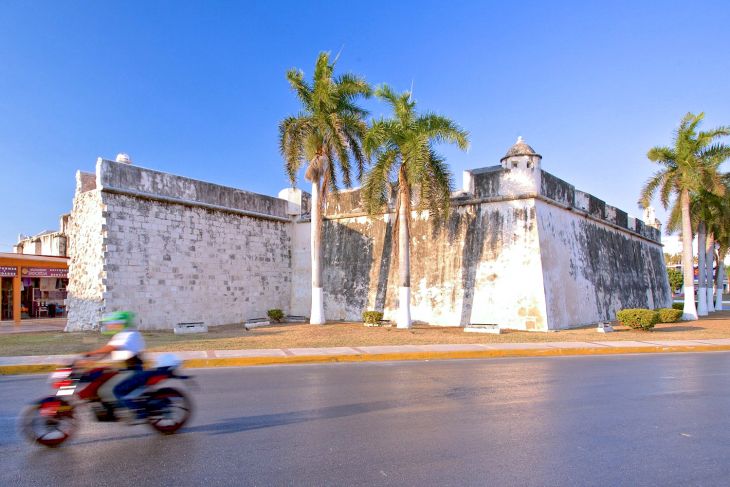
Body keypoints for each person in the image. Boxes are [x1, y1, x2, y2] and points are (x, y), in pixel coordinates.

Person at [83, 311, 147, 422]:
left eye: (114, 323)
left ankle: (140, 412)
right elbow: (107, 351)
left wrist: (92, 353)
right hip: (123, 370)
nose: (110, 325)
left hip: (134, 371)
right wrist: (91, 361)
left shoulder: (130, 334)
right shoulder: (120, 335)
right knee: (100, 379)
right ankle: (109, 410)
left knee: (117, 390)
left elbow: (111, 348)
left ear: (122, 323)